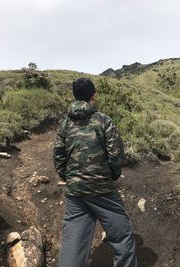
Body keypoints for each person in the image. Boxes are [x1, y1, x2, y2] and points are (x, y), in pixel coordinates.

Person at [53, 78, 137, 267]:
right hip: (102, 191)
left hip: (75, 192)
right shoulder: (103, 120)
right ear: (93, 96)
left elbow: (58, 153)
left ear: (75, 96)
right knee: (122, 236)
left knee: (72, 243)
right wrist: (113, 176)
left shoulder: (66, 123)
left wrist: (67, 177)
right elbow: (116, 154)